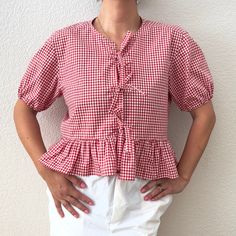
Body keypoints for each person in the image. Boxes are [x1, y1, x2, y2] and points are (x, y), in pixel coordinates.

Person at [13, 0, 216, 235]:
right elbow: (24, 108)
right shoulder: (65, 42)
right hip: (77, 191)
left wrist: (183, 176)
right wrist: (45, 171)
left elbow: (204, 114)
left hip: (143, 192)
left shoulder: (172, 41)